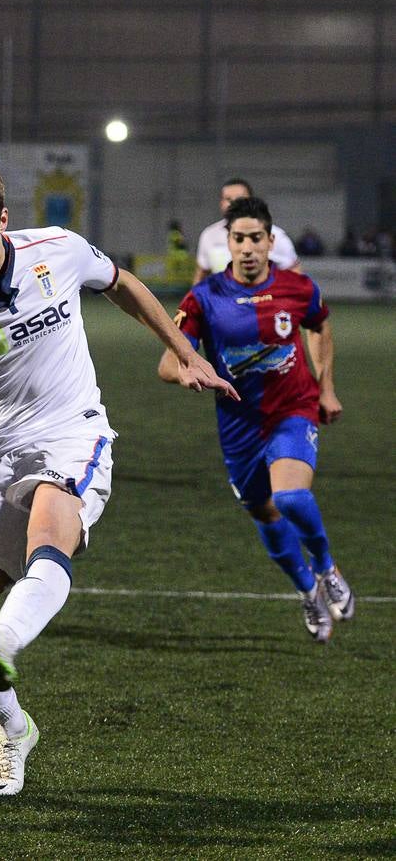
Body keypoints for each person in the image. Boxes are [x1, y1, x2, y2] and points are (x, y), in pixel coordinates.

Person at [0, 158, 235, 798]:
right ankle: (14, 730)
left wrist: (184, 352)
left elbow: (122, 283)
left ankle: (5, 639)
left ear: (3, 220)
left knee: (50, 535)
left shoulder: (57, 249)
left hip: (70, 431)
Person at [160, 196, 354, 642]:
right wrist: (191, 373)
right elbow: (168, 365)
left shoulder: (298, 287)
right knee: (265, 513)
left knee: (289, 498)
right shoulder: (203, 299)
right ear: (227, 243)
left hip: (293, 410)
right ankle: (308, 590)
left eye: (255, 238)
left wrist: (324, 388)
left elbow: (320, 325)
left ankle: (326, 568)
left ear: (270, 241)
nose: (247, 247)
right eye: (238, 239)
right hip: (239, 427)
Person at [194, 178, 297, 284]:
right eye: (228, 199)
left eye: (239, 198)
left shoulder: (275, 235)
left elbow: (295, 274)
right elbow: (201, 275)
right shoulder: (209, 235)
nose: (234, 203)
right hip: (224, 299)